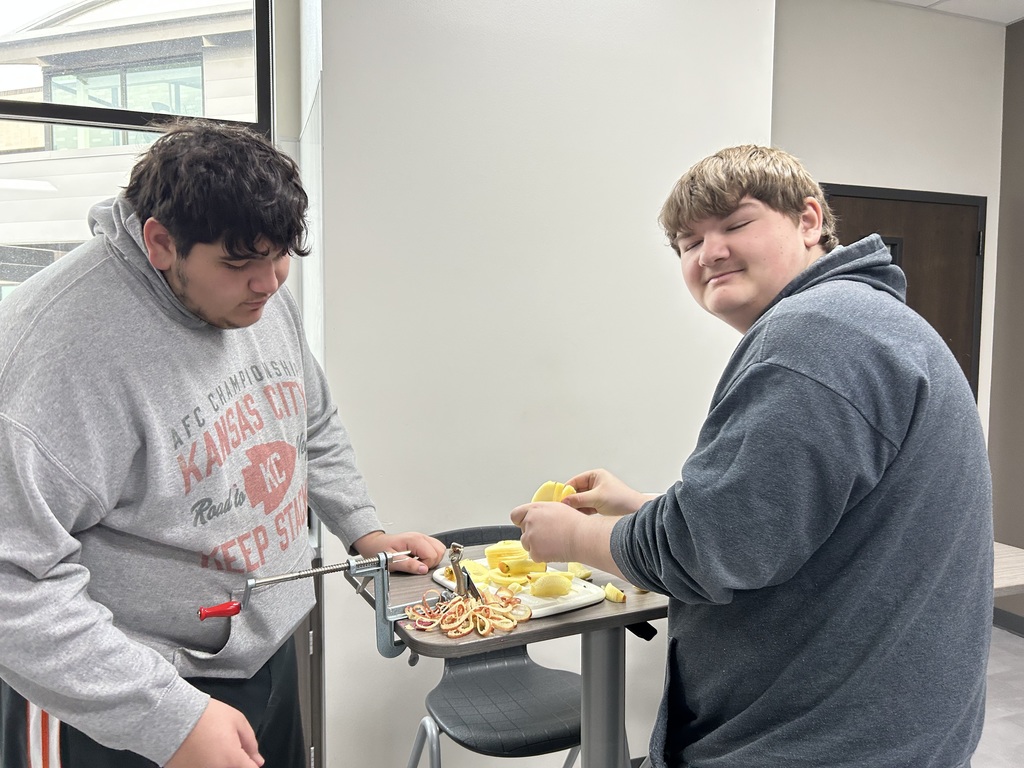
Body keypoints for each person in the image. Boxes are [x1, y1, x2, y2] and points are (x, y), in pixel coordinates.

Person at [512, 145, 993, 767]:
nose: (710, 252)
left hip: (813, 741)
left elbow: (711, 549)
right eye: (689, 242)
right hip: (885, 727)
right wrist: (638, 507)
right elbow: (788, 521)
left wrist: (576, 538)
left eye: (735, 224)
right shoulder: (864, 321)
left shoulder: (817, 334)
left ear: (810, 221)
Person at [0, 118, 446, 768]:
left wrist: (364, 533)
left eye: (280, 256)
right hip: (116, 694)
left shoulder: (258, 292)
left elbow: (308, 422)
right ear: (160, 242)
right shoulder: (55, 349)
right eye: (239, 264)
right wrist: (168, 716)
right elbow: (13, 580)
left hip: (262, 650)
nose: (269, 283)